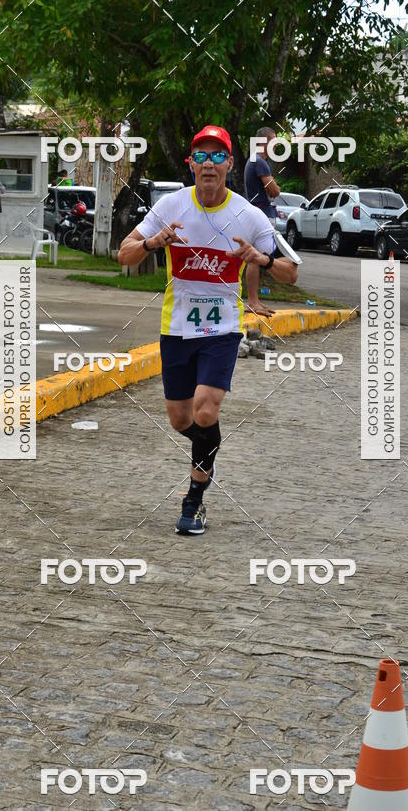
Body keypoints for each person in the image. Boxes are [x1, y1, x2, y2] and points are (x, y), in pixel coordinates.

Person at [118, 125, 298, 535]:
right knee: (181, 420)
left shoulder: (249, 216)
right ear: (191, 165)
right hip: (176, 328)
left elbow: (290, 272)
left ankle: (194, 500)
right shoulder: (171, 206)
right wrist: (153, 242)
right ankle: (208, 447)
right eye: (201, 156)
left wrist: (261, 260)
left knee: (205, 408)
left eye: (218, 156)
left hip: (221, 330)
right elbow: (123, 254)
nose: (209, 164)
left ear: (230, 164)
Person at [244, 127, 282, 317]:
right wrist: (275, 186)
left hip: (257, 211)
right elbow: (274, 191)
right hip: (262, 213)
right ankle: (253, 302)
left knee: (256, 257)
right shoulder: (260, 162)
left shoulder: (254, 160)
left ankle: (254, 301)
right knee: (256, 258)